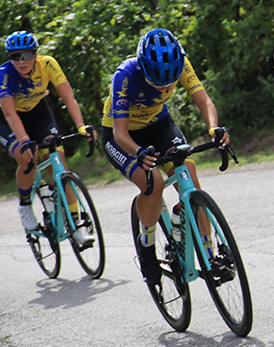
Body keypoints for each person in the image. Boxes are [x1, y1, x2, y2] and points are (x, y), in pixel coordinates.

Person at [99, 28, 230, 284]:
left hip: (159, 126)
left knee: (189, 177)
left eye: (170, 80)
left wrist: (214, 128)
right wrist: (138, 152)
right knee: (154, 184)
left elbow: (204, 101)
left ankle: (208, 253)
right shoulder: (125, 75)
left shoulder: (179, 61)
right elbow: (119, 132)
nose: (166, 85)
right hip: (124, 137)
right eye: (157, 81)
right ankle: (147, 247)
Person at [1, 30, 98, 246]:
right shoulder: (5, 74)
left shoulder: (48, 64)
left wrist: (81, 126)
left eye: (26, 55)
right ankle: (26, 204)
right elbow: (9, 113)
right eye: (15, 56)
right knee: (26, 157)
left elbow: (67, 96)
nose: (21, 61)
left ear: (35, 54)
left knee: (59, 162)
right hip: (8, 120)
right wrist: (24, 140)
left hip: (38, 113)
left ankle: (76, 224)